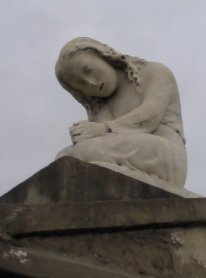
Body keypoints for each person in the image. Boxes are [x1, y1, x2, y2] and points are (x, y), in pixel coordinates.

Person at [55, 37, 187, 187]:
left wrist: (104, 128)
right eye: (81, 84)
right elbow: (102, 142)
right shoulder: (100, 106)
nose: (92, 82)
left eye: (87, 69)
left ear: (101, 54)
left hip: (161, 152)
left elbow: (151, 116)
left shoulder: (155, 72)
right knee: (64, 156)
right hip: (119, 148)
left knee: (84, 152)